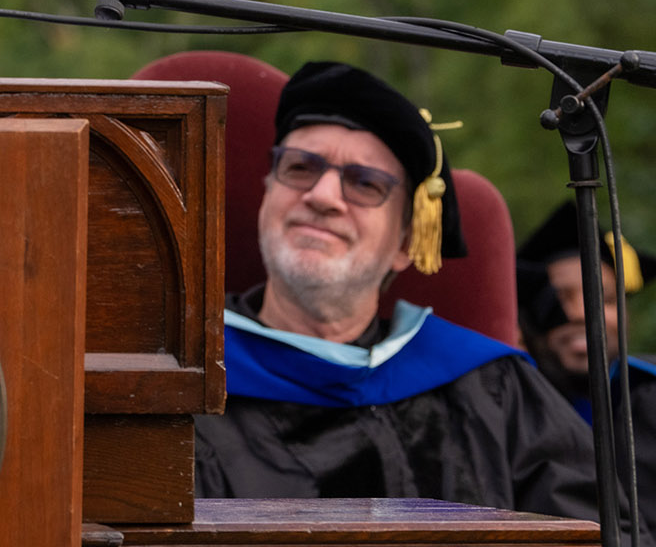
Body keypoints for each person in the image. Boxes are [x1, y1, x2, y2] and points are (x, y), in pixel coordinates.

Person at [194, 61, 625, 527]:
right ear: (266, 198)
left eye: (364, 183)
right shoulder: (182, 383)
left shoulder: (491, 391)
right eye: (299, 167)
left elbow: (608, 534)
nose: (322, 196)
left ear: (404, 243)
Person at [518, 201, 656, 532]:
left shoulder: (649, 393)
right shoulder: (514, 408)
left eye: (605, 299)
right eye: (563, 298)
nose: (583, 312)